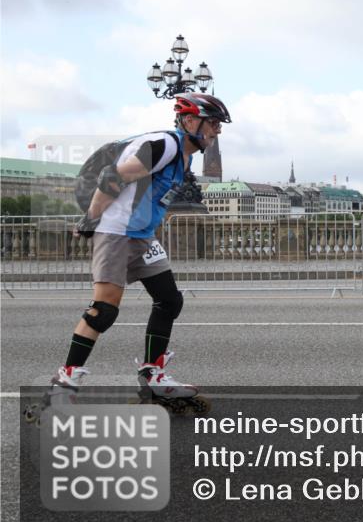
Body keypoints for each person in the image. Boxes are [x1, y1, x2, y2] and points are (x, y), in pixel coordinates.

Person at [45, 92, 231, 409]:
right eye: (212, 123)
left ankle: (152, 374)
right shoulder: (164, 145)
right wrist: (91, 218)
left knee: (169, 299)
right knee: (103, 311)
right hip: (116, 232)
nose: (217, 131)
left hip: (142, 236)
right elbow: (112, 177)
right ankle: (65, 384)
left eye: (218, 124)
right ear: (190, 120)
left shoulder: (183, 156)